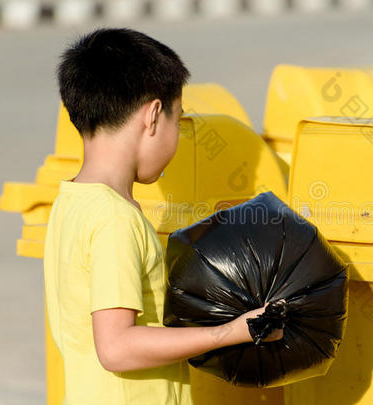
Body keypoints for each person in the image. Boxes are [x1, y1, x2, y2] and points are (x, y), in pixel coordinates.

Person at [43, 28, 283, 405]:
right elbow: (117, 347)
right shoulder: (114, 218)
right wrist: (234, 331)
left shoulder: (71, 201)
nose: (177, 135)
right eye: (178, 120)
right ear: (153, 116)